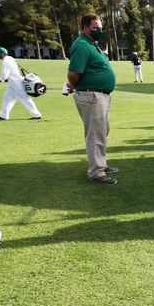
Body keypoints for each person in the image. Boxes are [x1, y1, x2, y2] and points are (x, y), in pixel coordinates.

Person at [66, 13, 119, 184]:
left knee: (103, 131)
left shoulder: (91, 44)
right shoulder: (82, 45)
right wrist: (76, 86)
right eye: (95, 28)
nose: (99, 31)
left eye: (100, 28)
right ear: (85, 28)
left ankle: (101, 164)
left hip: (99, 96)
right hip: (91, 96)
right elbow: (73, 73)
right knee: (95, 134)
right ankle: (96, 172)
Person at [0, 47, 42, 121]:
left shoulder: (6, 62)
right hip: (12, 84)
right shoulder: (10, 58)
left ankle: (37, 115)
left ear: (3, 54)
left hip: (17, 84)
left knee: (25, 99)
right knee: (7, 98)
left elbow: (3, 77)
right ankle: (3, 116)